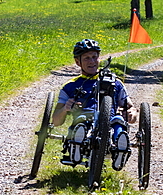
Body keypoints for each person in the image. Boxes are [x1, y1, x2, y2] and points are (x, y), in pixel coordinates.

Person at [52, 39, 137, 170]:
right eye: (86, 58)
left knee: (118, 121)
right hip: (85, 117)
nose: (92, 61)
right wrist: (65, 108)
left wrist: (132, 112)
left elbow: (130, 107)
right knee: (82, 121)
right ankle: (77, 144)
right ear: (77, 62)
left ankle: (121, 147)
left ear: (99, 58)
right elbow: (56, 121)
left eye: (94, 57)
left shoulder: (115, 82)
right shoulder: (69, 86)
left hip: (110, 121)